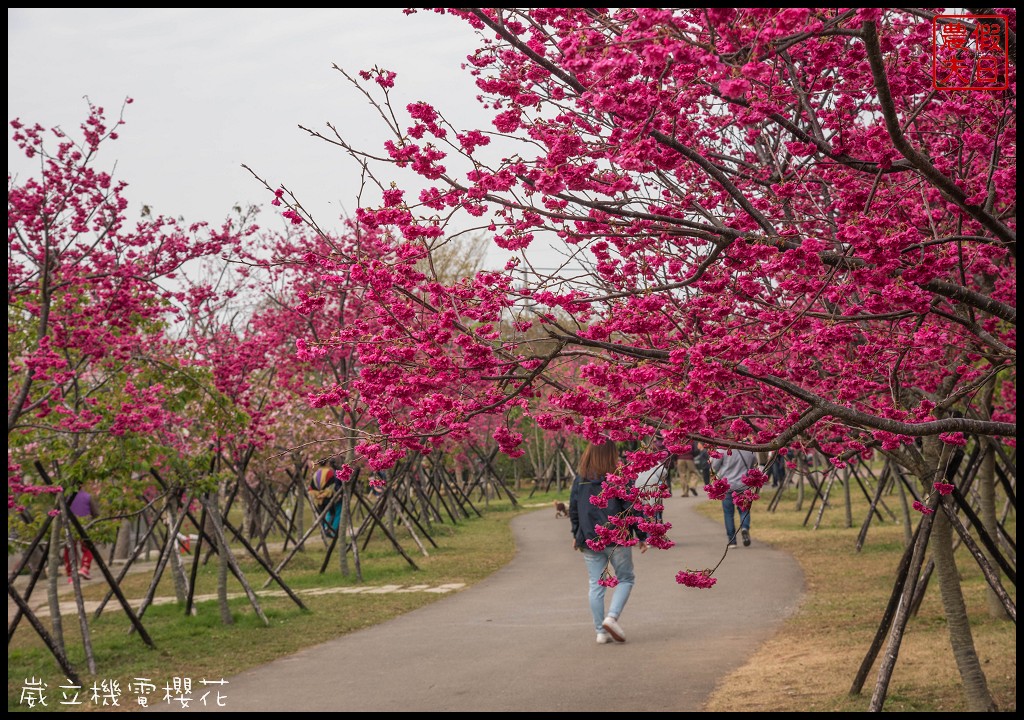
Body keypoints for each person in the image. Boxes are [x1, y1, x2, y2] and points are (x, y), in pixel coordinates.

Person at [570, 440, 648, 645]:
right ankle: (611, 618)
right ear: (612, 454)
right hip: (617, 538)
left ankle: (600, 632)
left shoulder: (581, 479)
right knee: (626, 579)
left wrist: (576, 534)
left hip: (589, 539)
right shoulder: (619, 478)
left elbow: (574, 509)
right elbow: (632, 508)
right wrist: (642, 536)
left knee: (596, 584)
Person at [711, 448, 758, 548]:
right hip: (744, 485)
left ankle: (732, 540)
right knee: (744, 510)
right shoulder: (749, 450)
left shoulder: (722, 450)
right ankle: (745, 528)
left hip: (727, 485)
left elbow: (714, 466)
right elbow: (753, 465)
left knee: (728, 513)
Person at [63, 488, 100, 581]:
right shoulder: (88, 496)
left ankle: (71, 573)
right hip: (85, 525)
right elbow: (95, 513)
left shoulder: (66, 497)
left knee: (70, 549)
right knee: (88, 547)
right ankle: (85, 567)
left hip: (70, 525)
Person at [309, 459, 343, 538]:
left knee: (322, 516)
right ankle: (328, 529)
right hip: (327, 497)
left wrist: (317, 495)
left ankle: (323, 531)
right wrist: (324, 494)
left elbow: (312, 487)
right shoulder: (329, 472)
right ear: (327, 463)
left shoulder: (316, 473)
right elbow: (331, 486)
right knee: (332, 513)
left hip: (318, 498)